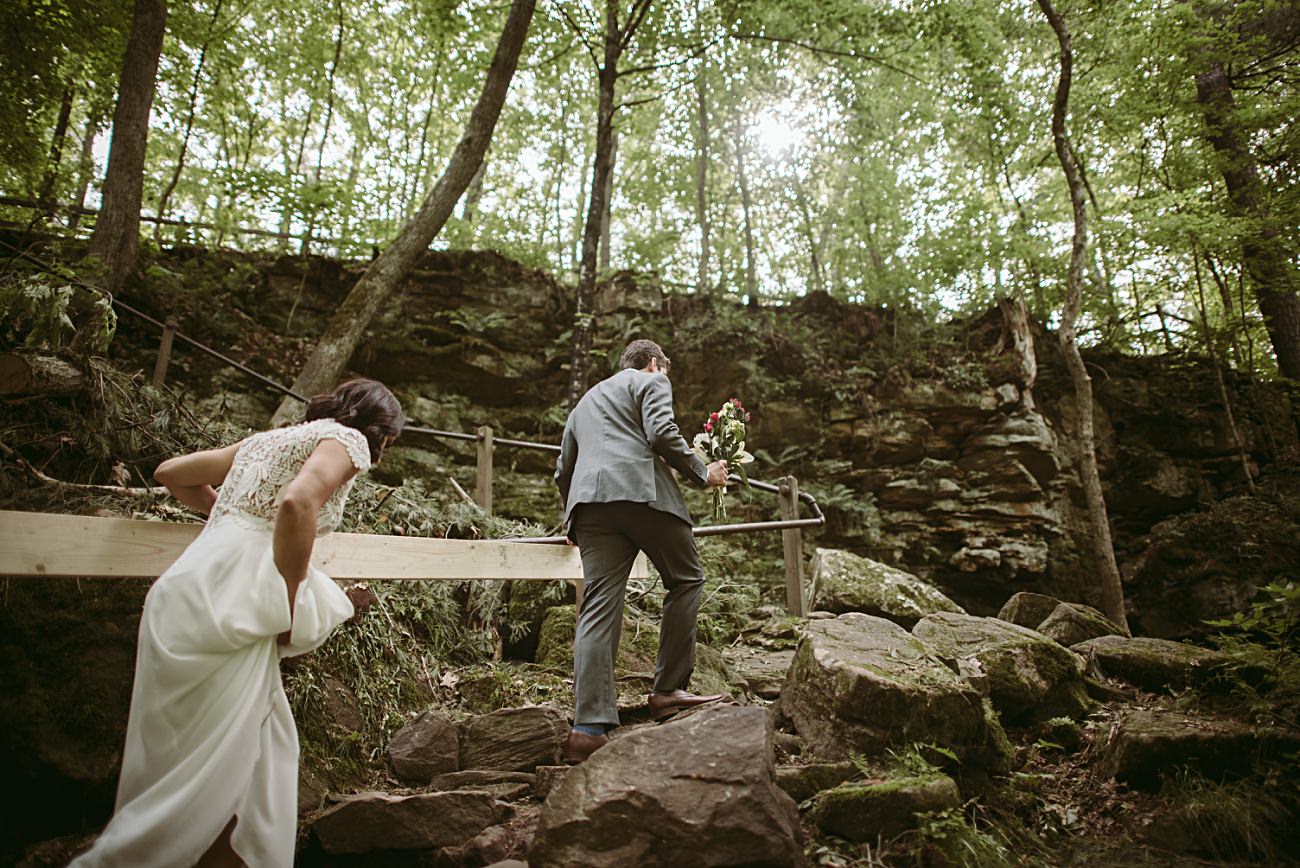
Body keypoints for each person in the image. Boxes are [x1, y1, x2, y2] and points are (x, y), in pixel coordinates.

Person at [71, 378, 404, 868]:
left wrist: (228, 514)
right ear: (379, 429)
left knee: (213, 758)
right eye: (389, 440)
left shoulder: (267, 440)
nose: (384, 450)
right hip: (234, 600)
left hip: (184, 591)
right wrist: (287, 600)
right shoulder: (348, 440)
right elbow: (297, 502)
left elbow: (170, 473)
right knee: (222, 763)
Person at [555, 339, 731, 764]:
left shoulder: (583, 405)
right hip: (643, 495)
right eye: (664, 370)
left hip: (590, 508)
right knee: (686, 578)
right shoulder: (650, 381)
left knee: (598, 607)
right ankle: (668, 691)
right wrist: (701, 473)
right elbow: (661, 433)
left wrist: (572, 522)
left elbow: (564, 469)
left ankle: (588, 728)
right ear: (655, 363)